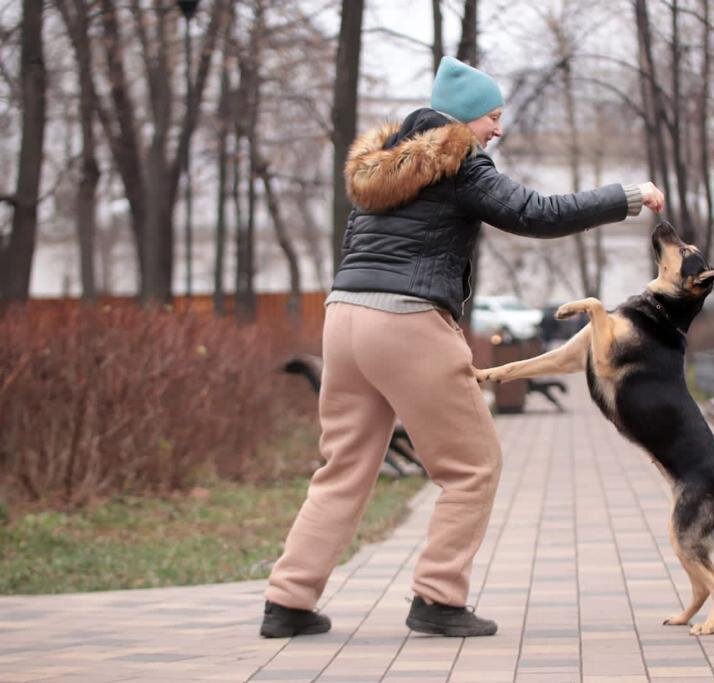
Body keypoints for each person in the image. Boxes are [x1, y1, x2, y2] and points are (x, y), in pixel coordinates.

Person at [260, 56, 665, 639]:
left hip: (343, 318)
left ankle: (288, 601)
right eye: (493, 118)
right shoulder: (458, 161)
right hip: (406, 323)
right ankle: (439, 597)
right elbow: (534, 213)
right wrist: (627, 195)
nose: (497, 130)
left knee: (343, 467)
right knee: (473, 465)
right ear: (466, 118)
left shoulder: (380, 168)